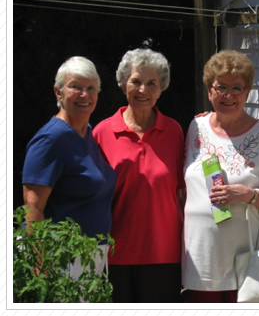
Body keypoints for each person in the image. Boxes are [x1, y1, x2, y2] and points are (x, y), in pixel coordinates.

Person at [183, 50, 259, 303]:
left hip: (249, 261)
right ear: (209, 91)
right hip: (201, 261)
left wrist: (249, 195)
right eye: (221, 87)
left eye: (236, 88)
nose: (228, 95)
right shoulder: (195, 128)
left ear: (247, 92)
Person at [93, 48, 185, 303]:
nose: (143, 90)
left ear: (161, 88)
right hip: (115, 253)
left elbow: (183, 192)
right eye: (136, 81)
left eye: (151, 83)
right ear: (124, 84)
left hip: (164, 252)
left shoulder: (174, 131)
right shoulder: (102, 132)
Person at [22, 56, 117, 287]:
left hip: (91, 256)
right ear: (58, 92)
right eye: (75, 86)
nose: (84, 94)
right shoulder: (51, 139)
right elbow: (33, 207)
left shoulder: (88, 133)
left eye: (91, 88)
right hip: (61, 259)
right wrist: (40, 269)